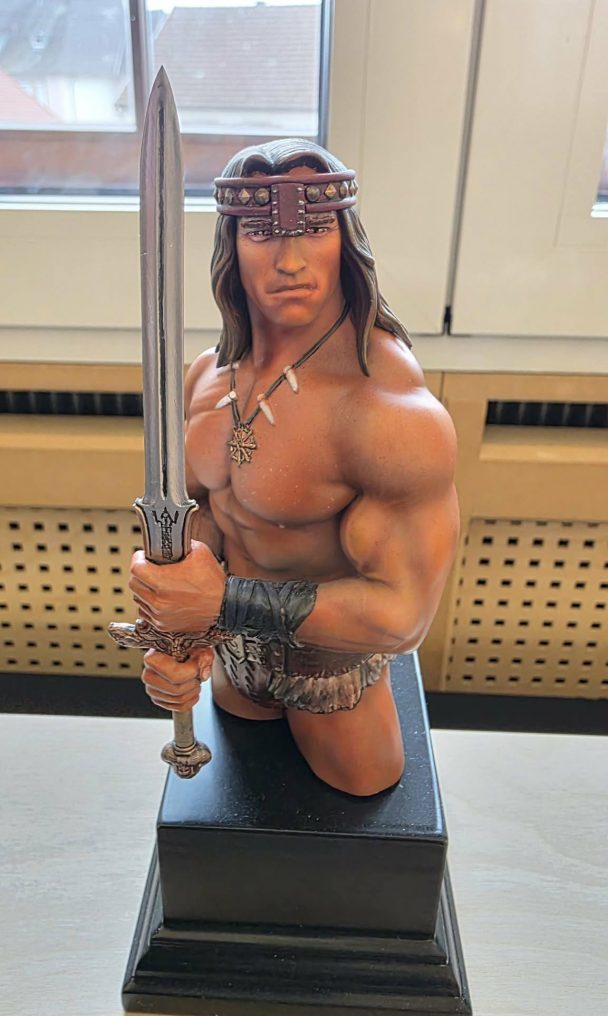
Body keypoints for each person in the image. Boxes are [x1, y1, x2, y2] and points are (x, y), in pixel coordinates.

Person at [128, 138, 459, 797]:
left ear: (346, 240)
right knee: (240, 798)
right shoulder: (206, 376)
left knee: (362, 790)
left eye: (313, 229)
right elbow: (198, 523)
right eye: (260, 232)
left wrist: (220, 601)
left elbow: (403, 615)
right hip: (232, 663)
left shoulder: (386, 411)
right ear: (231, 246)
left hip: (327, 671)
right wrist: (178, 630)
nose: (290, 260)